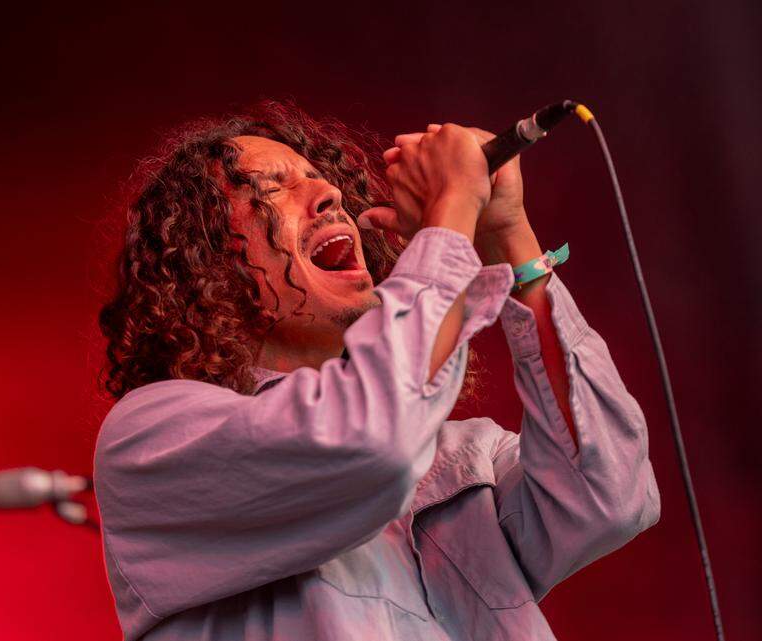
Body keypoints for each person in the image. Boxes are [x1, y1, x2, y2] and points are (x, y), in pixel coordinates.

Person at [94, 100, 660, 641]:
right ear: (203, 262)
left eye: (320, 177)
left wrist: (506, 235)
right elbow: (368, 441)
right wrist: (453, 208)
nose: (328, 194)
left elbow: (607, 494)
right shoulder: (153, 438)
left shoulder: (456, 458)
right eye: (269, 189)